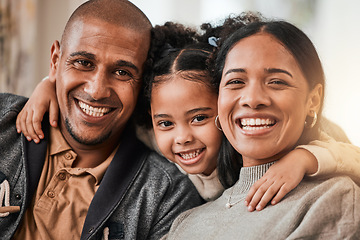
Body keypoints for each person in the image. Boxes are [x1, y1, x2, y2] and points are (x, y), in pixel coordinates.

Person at [17, 19, 360, 212]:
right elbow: (99, 108)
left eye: (199, 118)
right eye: (166, 122)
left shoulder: (258, 139)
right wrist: (49, 85)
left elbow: (351, 156)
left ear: (225, 100)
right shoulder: (148, 133)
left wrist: (302, 158)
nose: (182, 137)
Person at [0, 0, 203, 239]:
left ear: (144, 84)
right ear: (55, 61)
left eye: (122, 72)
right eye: (83, 63)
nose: (97, 91)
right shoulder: (4, 120)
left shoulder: (167, 195)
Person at [164, 16, 360, 239]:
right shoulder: (185, 221)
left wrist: (306, 157)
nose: (253, 99)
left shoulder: (331, 198)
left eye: (277, 81)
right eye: (236, 81)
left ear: (313, 100)